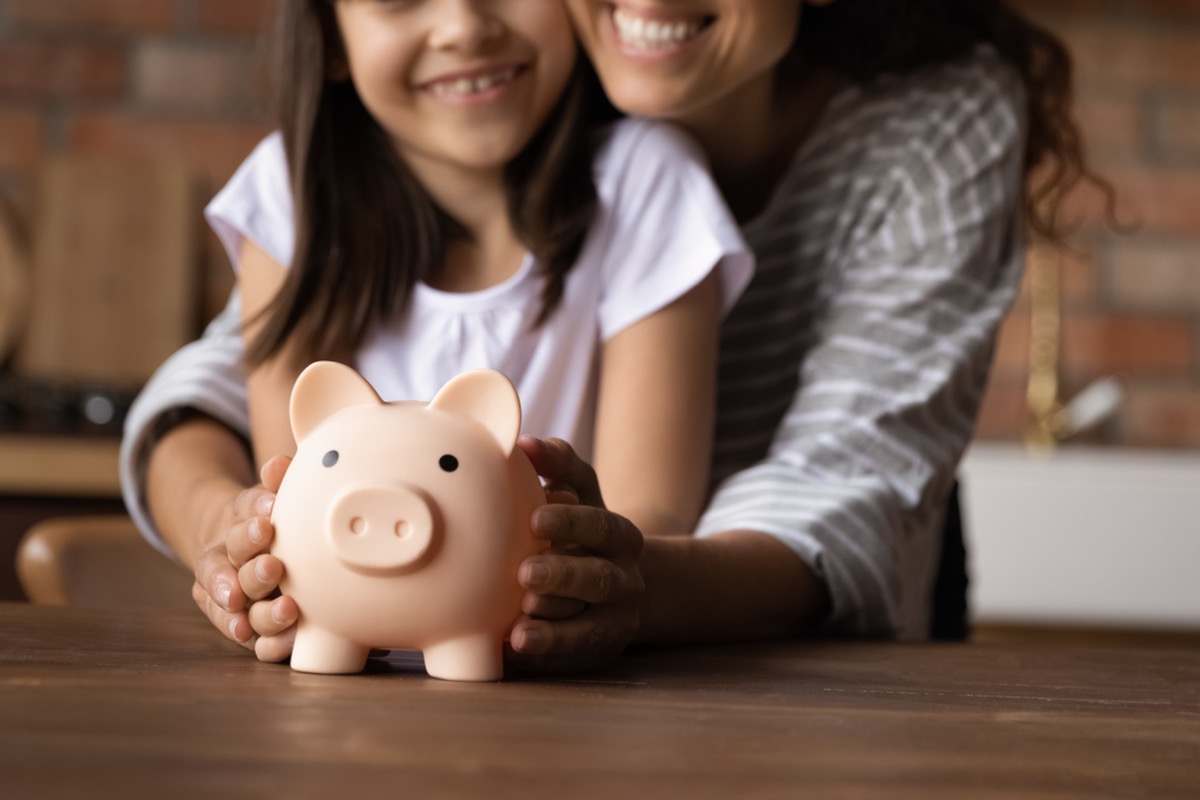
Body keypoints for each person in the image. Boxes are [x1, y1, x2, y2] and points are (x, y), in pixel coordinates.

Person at [122, 0, 1107, 672]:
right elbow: (251, 371)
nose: (460, 25)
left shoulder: (910, 123)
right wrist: (236, 530)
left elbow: (839, 483)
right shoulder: (536, 79)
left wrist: (585, 575)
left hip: (788, 654)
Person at [119, 0, 753, 662]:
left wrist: (576, 586)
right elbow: (294, 494)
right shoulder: (293, 191)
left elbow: (643, 523)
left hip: (564, 692)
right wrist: (255, 561)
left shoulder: (649, 184)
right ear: (331, 39)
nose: (465, 26)